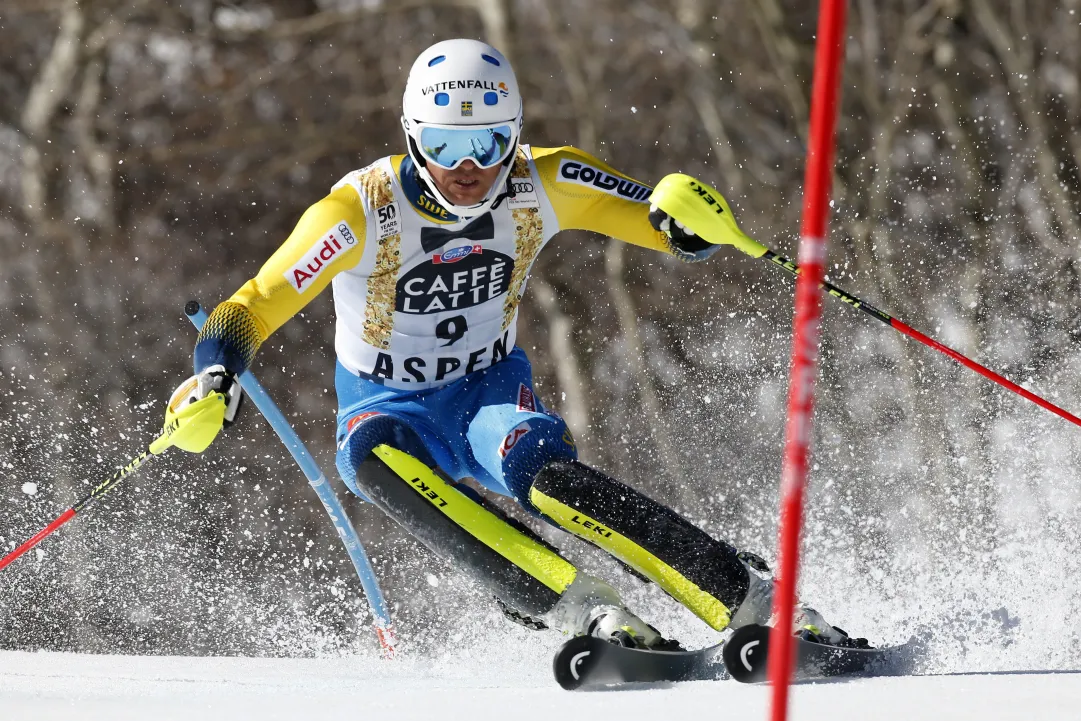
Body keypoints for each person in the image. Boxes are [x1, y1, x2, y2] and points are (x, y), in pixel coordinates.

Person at [166, 38, 854, 651]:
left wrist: (691, 226)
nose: (466, 169)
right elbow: (252, 306)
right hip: (387, 405)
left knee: (543, 478)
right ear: (411, 137)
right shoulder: (356, 212)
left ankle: (762, 604)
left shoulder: (543, 180)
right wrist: (216, 378)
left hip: (485, 391)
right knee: (373, 461)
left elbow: (658, 221)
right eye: (443, 147)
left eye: (489, 145)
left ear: (514, 137)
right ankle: (588, 613)